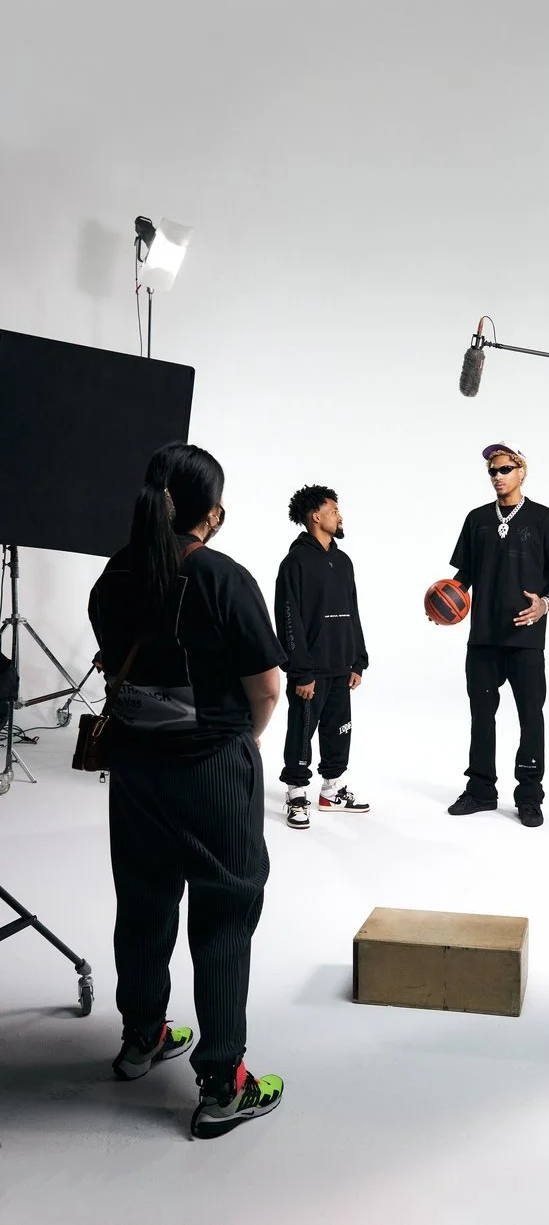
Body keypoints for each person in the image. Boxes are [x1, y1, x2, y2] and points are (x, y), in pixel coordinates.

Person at [88, 442, 285, 1139]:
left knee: (143, 905)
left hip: (136, 771)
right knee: (223, 919)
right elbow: (266, 687)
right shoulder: (222, 577)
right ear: (211, 512)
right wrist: (249, 737)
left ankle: (142, 1037)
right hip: (211, 770)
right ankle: (223, 1083)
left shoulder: (113, 577)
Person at [445, 442, 549, 827]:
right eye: (492, 471)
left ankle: (529, 796)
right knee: (481, 716)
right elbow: (463, 576)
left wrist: (545, 603)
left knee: (530, 717)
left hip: (525, 638)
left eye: (504, 469)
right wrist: (445, 601)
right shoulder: (476, 519)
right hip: (483, 637)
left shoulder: (545, 519)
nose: (497, 476)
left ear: (521, 472)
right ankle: (481, 790)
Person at [275, 485, 369, 829]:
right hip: (310, 670)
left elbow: (352, 610)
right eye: (334, 510)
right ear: (316, 516)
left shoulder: (343, 562)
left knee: (338, 730)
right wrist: (300, 672)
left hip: (341, 666)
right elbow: (288, 618)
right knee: (301, 731)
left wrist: (358, 659)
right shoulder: (295, 562)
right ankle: (296, 793)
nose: (339, 515)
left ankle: (332, 790)